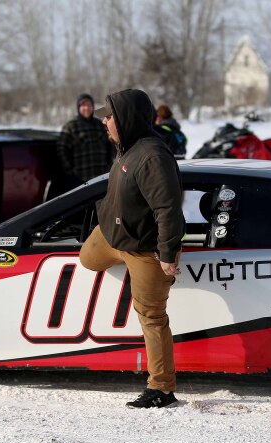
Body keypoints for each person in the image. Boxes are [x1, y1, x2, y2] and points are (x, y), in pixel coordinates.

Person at [81, 88, 186, 409]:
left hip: (145, 250)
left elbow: (168, 210)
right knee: (86, 259)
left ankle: (162, 389)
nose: (104, 122)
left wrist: (167, 255)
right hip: (113, 237)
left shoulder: (152, 156)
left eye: (109, 117)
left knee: (152, 317)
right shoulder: (126, 148)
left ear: (125, 118)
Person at [56, 93, 113, 193]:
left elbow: (109, 145)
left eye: (89, 105)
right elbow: (62, 149)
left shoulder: (99, 125)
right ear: (78, 107)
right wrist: (71, 171)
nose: (86, 108)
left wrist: (108, 165)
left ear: (93, 107)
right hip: (80, 179)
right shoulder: (71, 126)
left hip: (101, 177)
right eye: (83, 105)